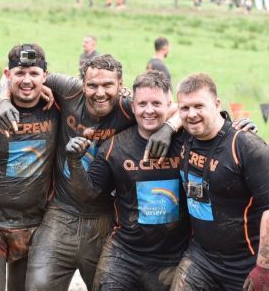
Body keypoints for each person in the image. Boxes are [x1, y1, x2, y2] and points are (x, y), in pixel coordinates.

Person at [0, 54, 178, 291]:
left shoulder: (131, 108)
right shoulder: (68, 89)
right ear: (82, 84)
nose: (100, 92)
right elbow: (14, 78)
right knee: (38, 286)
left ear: (121, 85)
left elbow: (176, 108)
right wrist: (3, 99)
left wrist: (168, 127)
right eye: (92, 85)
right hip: (61, 212)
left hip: (105, 217)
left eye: (107, 85)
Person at [65, 70, 189, 290]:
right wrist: (75, 162)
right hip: (125, 253)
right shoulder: (115, 147)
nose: (149, 110)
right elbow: (89, 192)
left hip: (174, 256)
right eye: (142, 104)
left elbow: (214, 123)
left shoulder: (187, 141)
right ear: (132, 107)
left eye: (156, 104)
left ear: (170, 105)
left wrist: (240, 126)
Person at [170, 73, 269, 291]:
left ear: (216, 104)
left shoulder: (246, 146)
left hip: (245, 265)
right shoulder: (182, 137)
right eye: (184, 108)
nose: (191, 114)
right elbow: (149, 108)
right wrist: (167, 128)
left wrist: (264, 267)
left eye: (199, 106)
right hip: (200, 258)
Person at [0, 44, 59, 291]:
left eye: (34, 73)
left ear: (45, 76)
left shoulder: (56, 108)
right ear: (7, 75)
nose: (27, 80)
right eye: (20, 73)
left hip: (35, 224)